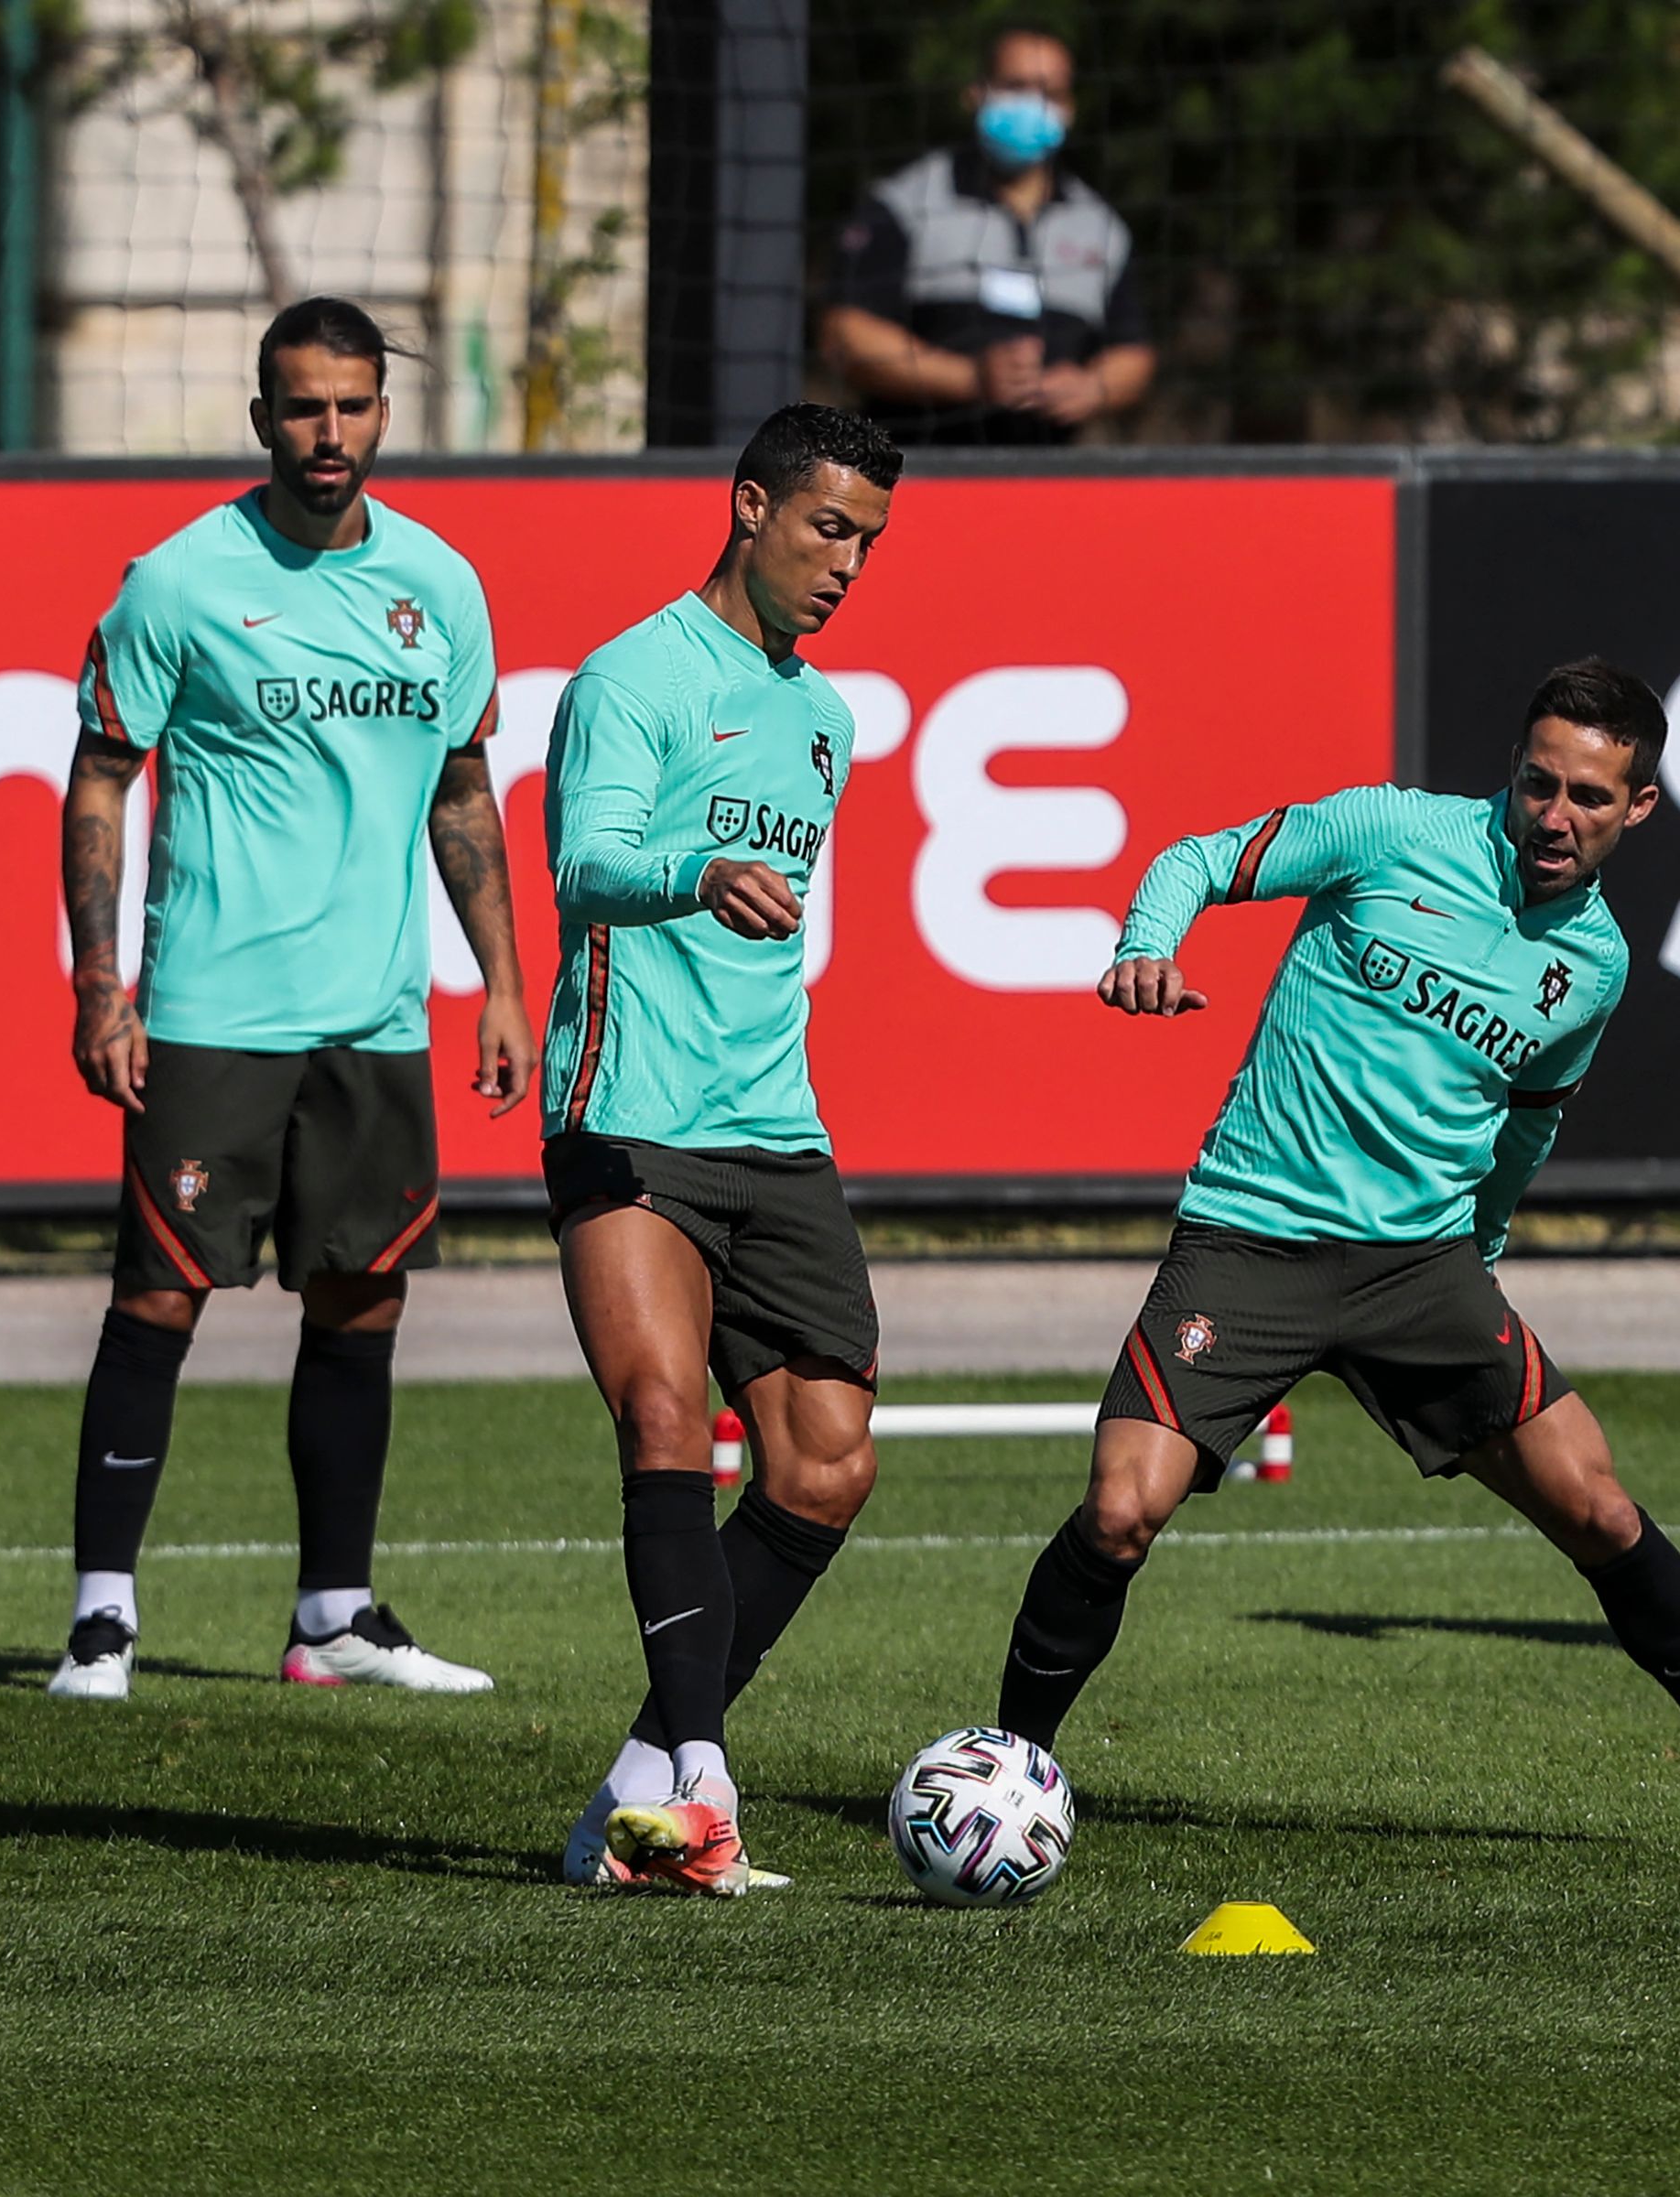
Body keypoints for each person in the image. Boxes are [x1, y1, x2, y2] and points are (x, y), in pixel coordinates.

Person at [994, 662, 1680, 1856]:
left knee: (1600, 1510)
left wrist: (1486, 1251)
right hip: (1252, 1238)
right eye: (1538, 784)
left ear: (1641, 808)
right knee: (1117, 1513)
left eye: (1588, 798)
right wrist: (1147, 943)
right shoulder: (1390, 829)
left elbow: (1529, 1124)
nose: (1554, 816)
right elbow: (1197, 858)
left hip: (1421, 1273)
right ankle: (1012, 1774)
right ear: (1512, 772)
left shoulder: (1596, 965)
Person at [51, 296, 532, 1702]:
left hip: (377, 1018)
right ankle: (101, 1618)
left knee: (363, 1303)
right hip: (210, 1014)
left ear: (385, 414)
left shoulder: (442, 588)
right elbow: (99, 776)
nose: (328, 432)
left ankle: (334, 1614)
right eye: (301, 407)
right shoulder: (181, 580)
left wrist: (502, 981)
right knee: (159, 1300)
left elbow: (463, 794)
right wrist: (102, 987)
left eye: (352, 405)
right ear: (263, 419)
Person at [541, 403, 905, 1896]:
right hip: (629, 1115)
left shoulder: (828, 720)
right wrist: (699, 871)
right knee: (660, 1414)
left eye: (870, 542)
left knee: (826, 1462)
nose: (847, 565)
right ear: (750, 506)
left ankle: (633, 1795)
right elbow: (584, 861)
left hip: (778, 1130)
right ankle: (700, 1788)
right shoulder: (633, 679)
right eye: (828, 527)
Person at [820, 25, 1154, 445]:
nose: (1033, 106)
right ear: (977, 93)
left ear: (1069, 109)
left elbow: (1133, 353)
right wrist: (971, 379)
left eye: (1049, 94)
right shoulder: (905, 203)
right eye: (1016, 87)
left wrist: (1093, 386)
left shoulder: (1101, 227)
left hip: (1049, 473)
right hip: (916, 464)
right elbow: (845, 334)